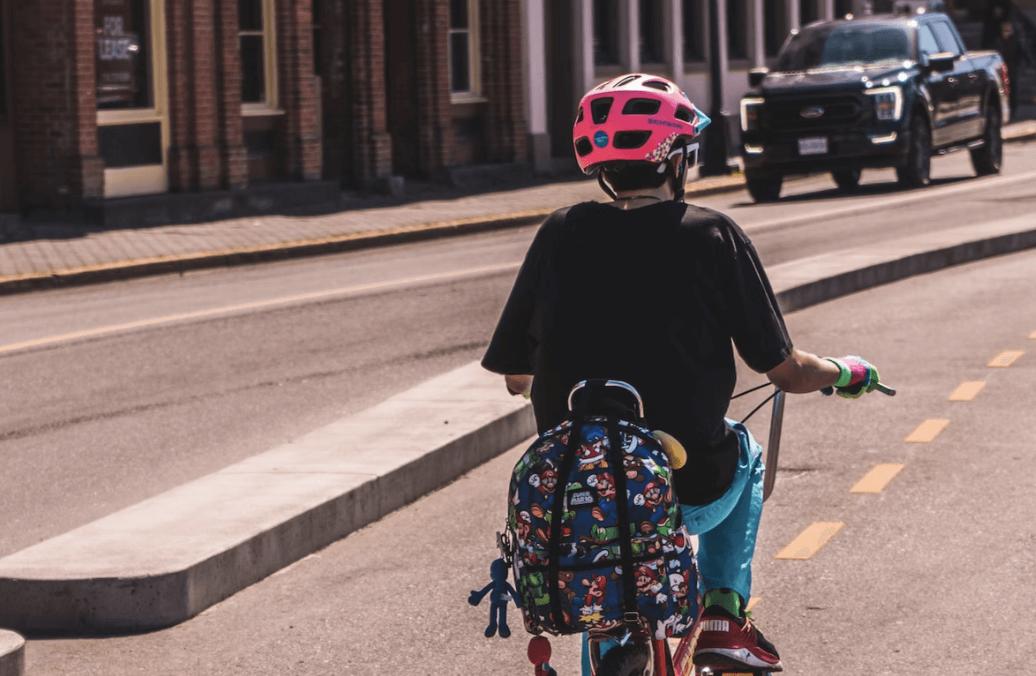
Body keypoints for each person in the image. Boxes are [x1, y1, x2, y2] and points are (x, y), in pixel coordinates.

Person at [481, 74, 884, 674]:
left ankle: (619, 641)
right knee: (744, 450)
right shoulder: (712, 235)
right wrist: (845, 371)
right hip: (685, 489)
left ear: (601, 169)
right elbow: (786, 371)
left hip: (578, 506)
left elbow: (515, 377)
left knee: (608, 577)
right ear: (678, 161)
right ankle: (723, 613)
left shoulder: (559, 232)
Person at [994, 19, 1023, 119]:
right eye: (1003, 30)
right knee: (1003, 92)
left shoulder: (1015, 41)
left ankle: (1013, 112)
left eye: (1007, 30)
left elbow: (1021, 56)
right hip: (1001, 69)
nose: (1005, 33)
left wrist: (1018, 68)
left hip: (1013, 70)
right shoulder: (998, 41)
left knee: (1013, 91)